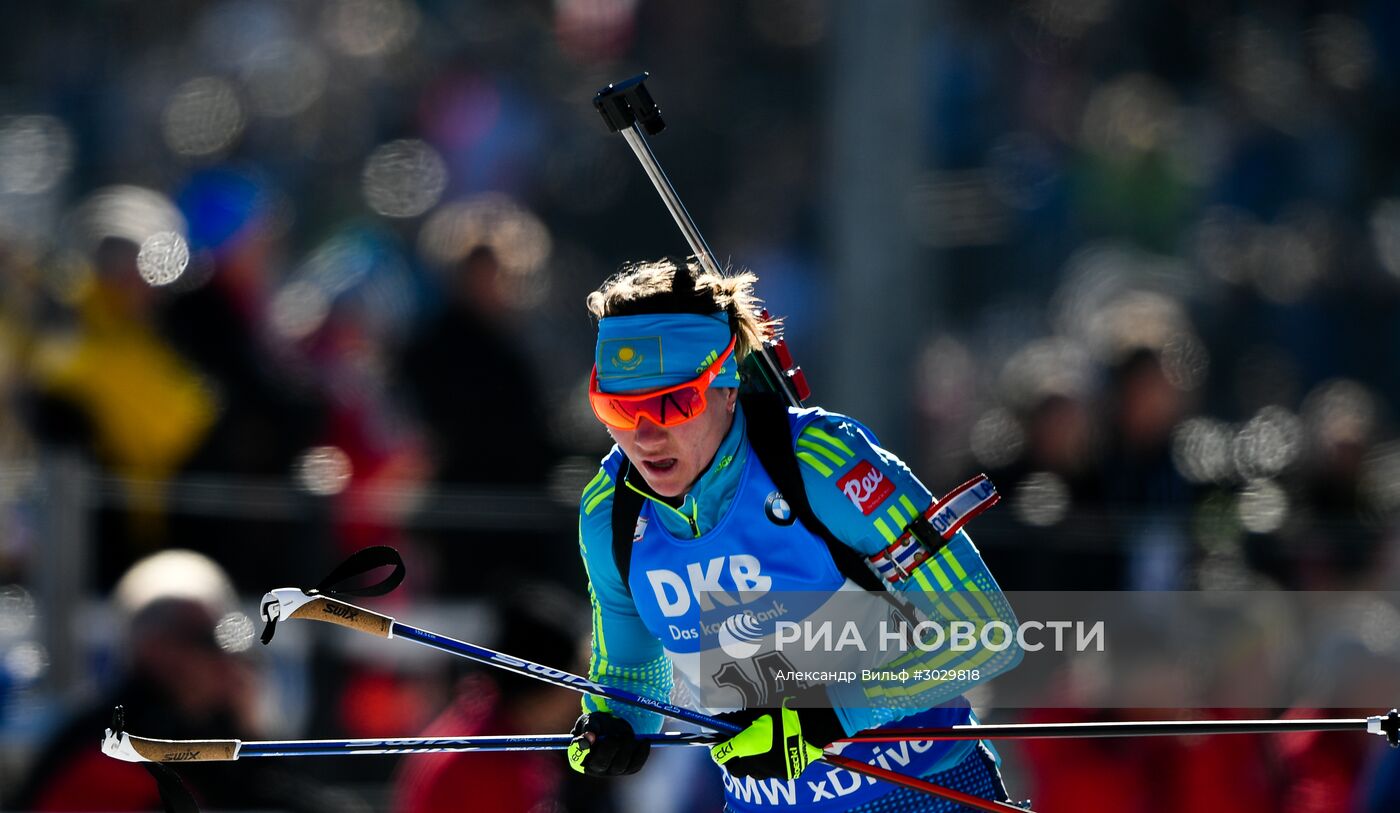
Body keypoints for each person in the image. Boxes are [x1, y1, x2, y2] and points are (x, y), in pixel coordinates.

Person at [566, 258, 1022, 811]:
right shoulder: (609, 513)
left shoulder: (817, 461)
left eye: (672, 404)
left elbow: (982, 631)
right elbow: (631, 674)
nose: (643, 436)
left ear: (726, 386)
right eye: (616, 408)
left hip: (924, 792)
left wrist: (823, 717)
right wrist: (611, 726)